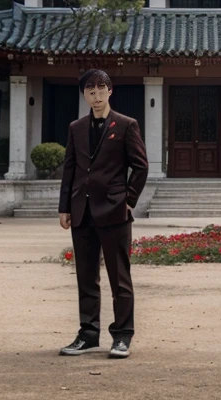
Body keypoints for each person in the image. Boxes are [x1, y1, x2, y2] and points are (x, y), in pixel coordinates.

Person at [58, 69, 148, 359]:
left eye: (101, 90)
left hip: (114, 211)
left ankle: (122, 336)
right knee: (86, 277)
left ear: (111, 91)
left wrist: (129, 200)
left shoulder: (126, 125)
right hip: (81, 211)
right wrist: (64, 207)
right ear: (85, 94)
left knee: (119, 278)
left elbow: (141, 166)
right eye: (90, 91)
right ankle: (88, 334)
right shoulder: (76, 127)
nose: (96, 96)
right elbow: (69, 168)